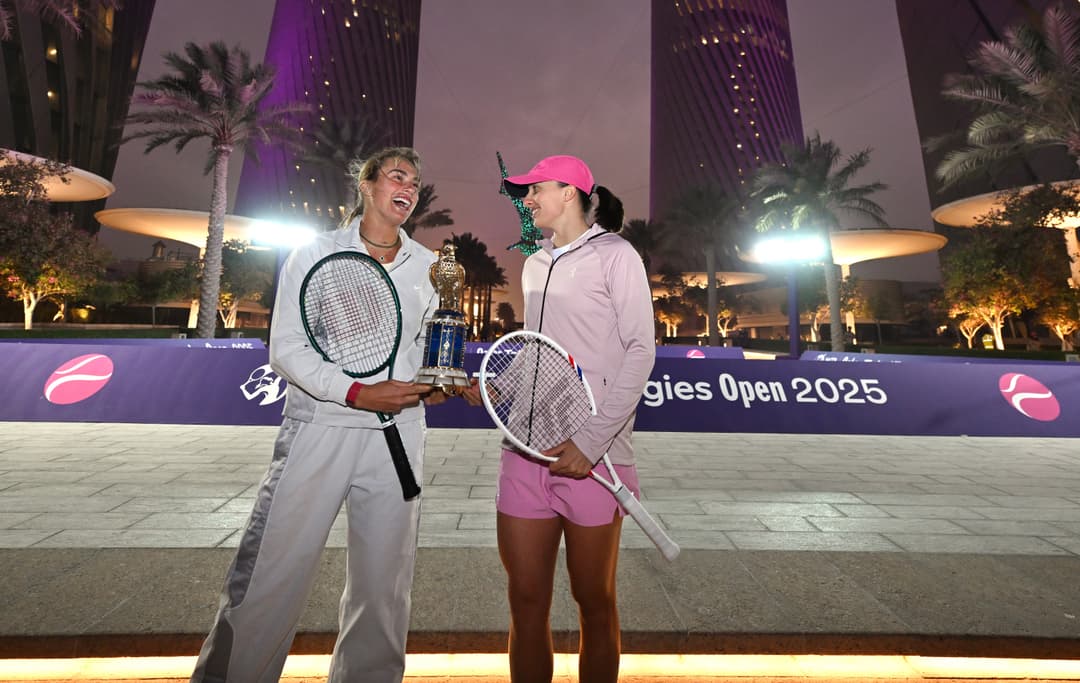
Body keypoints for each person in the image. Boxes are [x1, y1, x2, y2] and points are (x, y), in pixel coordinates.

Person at [191, 147, 445, 683]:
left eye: (417, 184)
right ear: (368, 184)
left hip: (398, 440)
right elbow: (286, 349)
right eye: (398, 176)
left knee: (384, 591)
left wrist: (436, 384)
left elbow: (424, 353)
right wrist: (355, 392)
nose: (409, 187)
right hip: (319, 432)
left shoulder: (429, 267)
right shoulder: (315, 253)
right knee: (269, 578)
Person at [464, 155, 656, 683]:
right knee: (526, 603)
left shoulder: (617, 255)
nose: (526, 200)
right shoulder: (535, 262)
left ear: (569, 191)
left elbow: (641, 352)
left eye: (535, 190)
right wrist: (498, 387)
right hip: (526, 454)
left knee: (594, 601)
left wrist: (591, 442)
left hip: (593, 460)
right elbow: (539, 350)